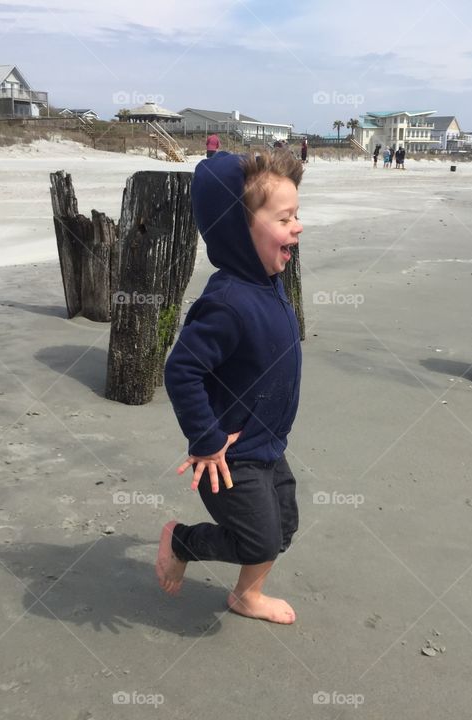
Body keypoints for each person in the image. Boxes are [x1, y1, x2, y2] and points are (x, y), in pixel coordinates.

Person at [157, 150, 304, 625]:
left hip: (268, 443)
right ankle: (182, 541)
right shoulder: (227, 302)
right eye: (285, 218)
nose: (298, 227)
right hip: (227, 455)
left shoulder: (268, 281)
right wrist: (207, 439)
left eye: (297, 214)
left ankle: (246, 596)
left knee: (282, 530)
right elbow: (181, 370)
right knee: (255, 539)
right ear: (239, 230)